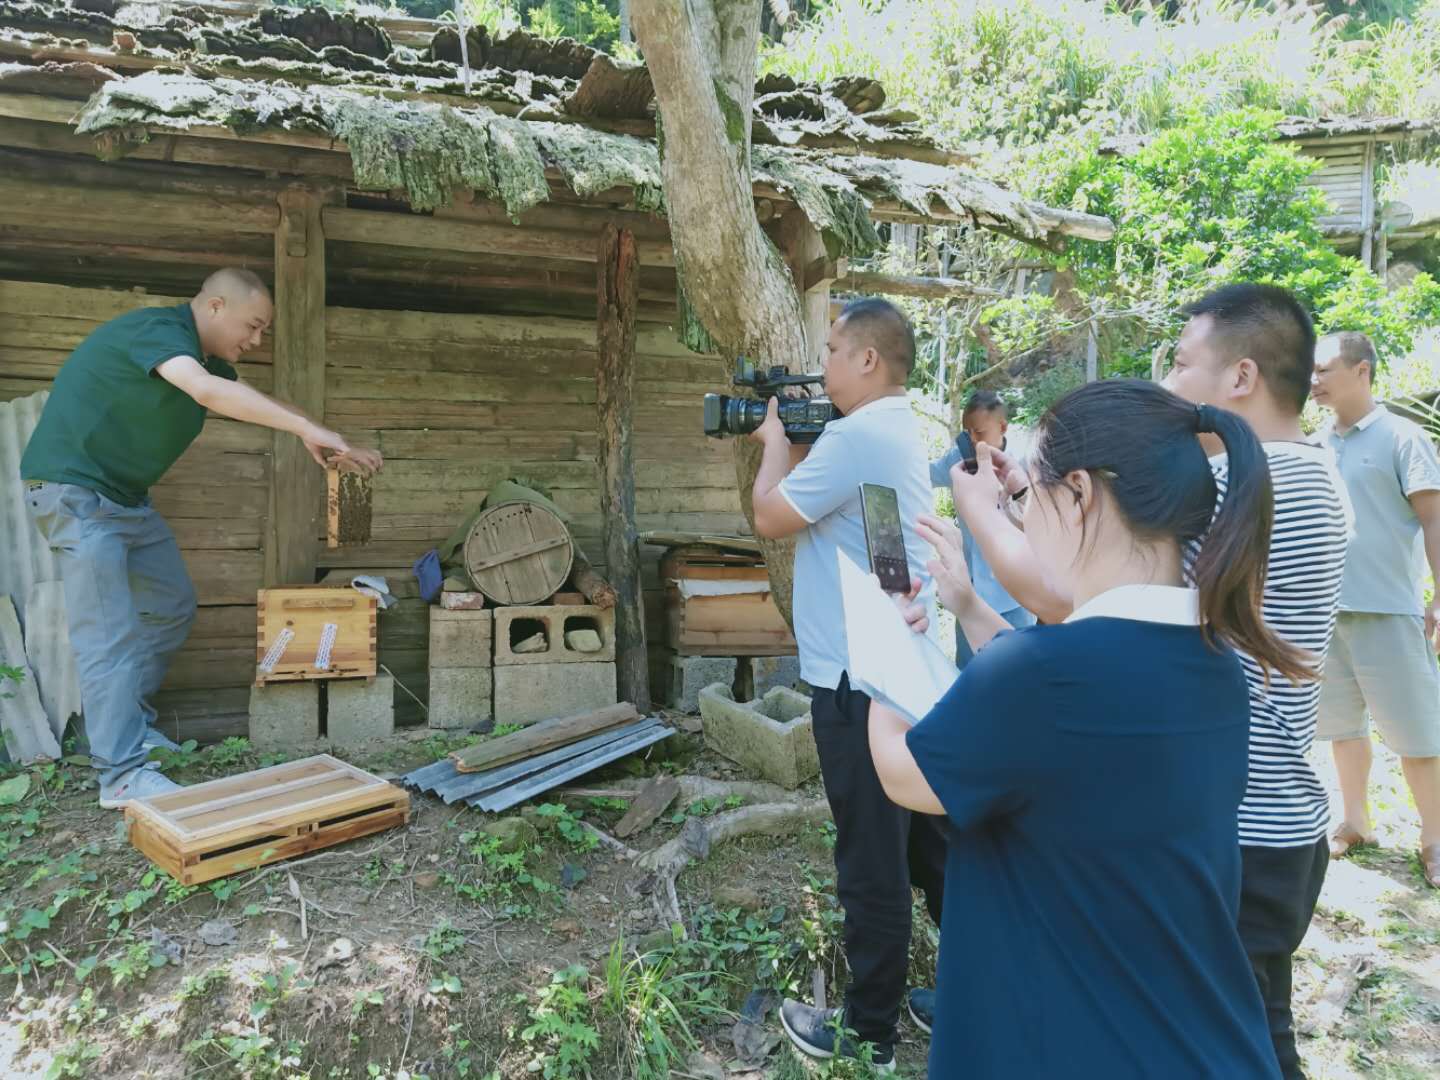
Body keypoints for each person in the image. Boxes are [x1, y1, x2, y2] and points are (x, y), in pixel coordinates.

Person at [945, 284, 1352, 1077]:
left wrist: (985, 511)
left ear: (1238, 378)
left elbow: (1064, 594)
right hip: (1250, 812)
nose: (1168, 385)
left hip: (1238, 823)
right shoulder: (1294, 475)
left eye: (1179, 362)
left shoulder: (1257, 486)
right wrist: (1037, 498)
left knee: (1240, 1045)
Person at [870, 378, 1308, 1079]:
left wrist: (885, 648)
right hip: (1200, 1040)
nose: (1025, 517)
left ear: (1079, 494)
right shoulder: (1215, 665)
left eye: (1030, 496)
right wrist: (968, 603)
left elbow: (902, 772)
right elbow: (1070, 734)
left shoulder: (1041, 678)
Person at [21, 269, 381, 808]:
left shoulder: (207, 358)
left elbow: (244, 391)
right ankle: (119, 774)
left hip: (123, 500)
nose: (257, 341)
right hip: (77, 495)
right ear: (215, 306)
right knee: (109, 636)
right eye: (253, 326)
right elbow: (207, 392)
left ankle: (127, 728)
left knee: (170, 606)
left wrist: (322, 435)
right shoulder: (158, 332)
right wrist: (305, 430)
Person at [749, 298, 944, 1071]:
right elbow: (885, 545)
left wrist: (771, 445)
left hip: (856, 681)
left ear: (868, 360)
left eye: (831, 350)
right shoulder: (894, 431)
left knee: (871, 858)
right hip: (897, 670)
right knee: (929, 846)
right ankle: (964, 990)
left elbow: (770, 517)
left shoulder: (858, 434)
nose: (822, 365)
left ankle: (868, 1034)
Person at [1312, 330, 1440, 890]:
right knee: (1342, 727)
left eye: (1323, 370)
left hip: (1389, 609)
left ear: (1361, 371)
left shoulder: (1402, 437)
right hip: (1325, 610)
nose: (1312, 380)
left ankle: (1434, 839)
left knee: (1417, 733)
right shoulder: (1315, 443)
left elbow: (1433, 519)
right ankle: (1355, 822)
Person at [928, 390, 1036, 665]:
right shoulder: (958, 458)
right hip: (971, 591)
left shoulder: (1022, 463)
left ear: (1002, 427)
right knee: (970, 673)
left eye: (980, 432)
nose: (974, 441)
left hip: (1016, 592)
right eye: (968, 433)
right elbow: (923, 474)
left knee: (1020, 670)